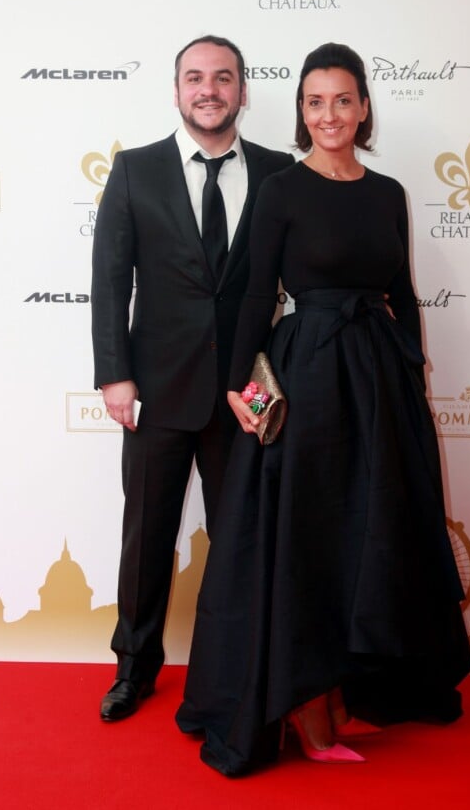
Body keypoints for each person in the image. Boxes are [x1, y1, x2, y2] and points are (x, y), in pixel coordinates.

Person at [175, 42, 470, 775]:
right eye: (315, 102)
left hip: (376, 381)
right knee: (310, 538)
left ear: (364, 106)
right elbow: (253, 292)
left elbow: (401, 290)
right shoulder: (282, 188)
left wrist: (413, 372)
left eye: (343, 100)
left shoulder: (387, 192)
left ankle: (343, 694)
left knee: (366, 538)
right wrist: (238, 387)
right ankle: (307, 709)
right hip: (306, 376)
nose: (329, 114)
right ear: (301, 111)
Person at [91, 35, 293, 722]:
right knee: (146, 536)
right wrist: (115, 376)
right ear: (177, 90)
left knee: (240, 538)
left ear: (243, 89)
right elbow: (111, 280)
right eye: (195, 78)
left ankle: (234, 667)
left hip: (243, 396)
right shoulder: (135, 169)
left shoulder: (277, 172)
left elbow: (294, 284)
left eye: (223, 77)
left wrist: (275, 383)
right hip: (155, 391)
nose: (209, 89)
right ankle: (133, 666)